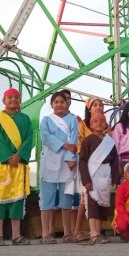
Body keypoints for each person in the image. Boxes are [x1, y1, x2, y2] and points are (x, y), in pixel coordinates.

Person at [0, 88, 33, 246]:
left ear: (20, 101)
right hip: (1, 163)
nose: (13, 100)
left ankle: (16, 235)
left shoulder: (25, 119)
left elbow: (29, 138)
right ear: (4, 101)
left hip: (18, 163)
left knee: (17, 201)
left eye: (16, 97)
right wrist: (7, 156)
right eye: (9, 97)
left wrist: (19, 155)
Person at [38, 90, 79, 244]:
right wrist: (63, 145)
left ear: (66, 103)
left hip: (67, 162)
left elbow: (74, 139)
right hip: (49, 161)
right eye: (56, 102)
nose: (59, 104)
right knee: (47, 198)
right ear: (52, 104)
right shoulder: (46, 120)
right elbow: (46, 137)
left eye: (62, 101)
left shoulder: (73, 119)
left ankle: (68, 233)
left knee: (66, 198)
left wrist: (70, 157)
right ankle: (45, 234)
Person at [79, 109, 121, 245]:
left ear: (106, 125)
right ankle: (94, 233)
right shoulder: (88, 140)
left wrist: (116, 178)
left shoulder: (110, 142)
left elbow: (115, 161)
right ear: (91, 125)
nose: (99, 123)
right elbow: (83, 161)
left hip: (105, 175)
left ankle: (99, 233)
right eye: (95, 121)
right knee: (92, 204)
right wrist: (86, 180)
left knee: (102, 205)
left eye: (102, 121)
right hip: (92, 175)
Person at [73, 96, 102, 242]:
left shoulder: (105, 125)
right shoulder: (83, 125)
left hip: (102, 168)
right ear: (89, 108)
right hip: (88, 164)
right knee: (85, 197)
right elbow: (79, 143)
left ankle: (92, 230)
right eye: (95, 105)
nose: (98, 107)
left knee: (94, 198)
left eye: (100, 105)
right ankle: (78, 230)